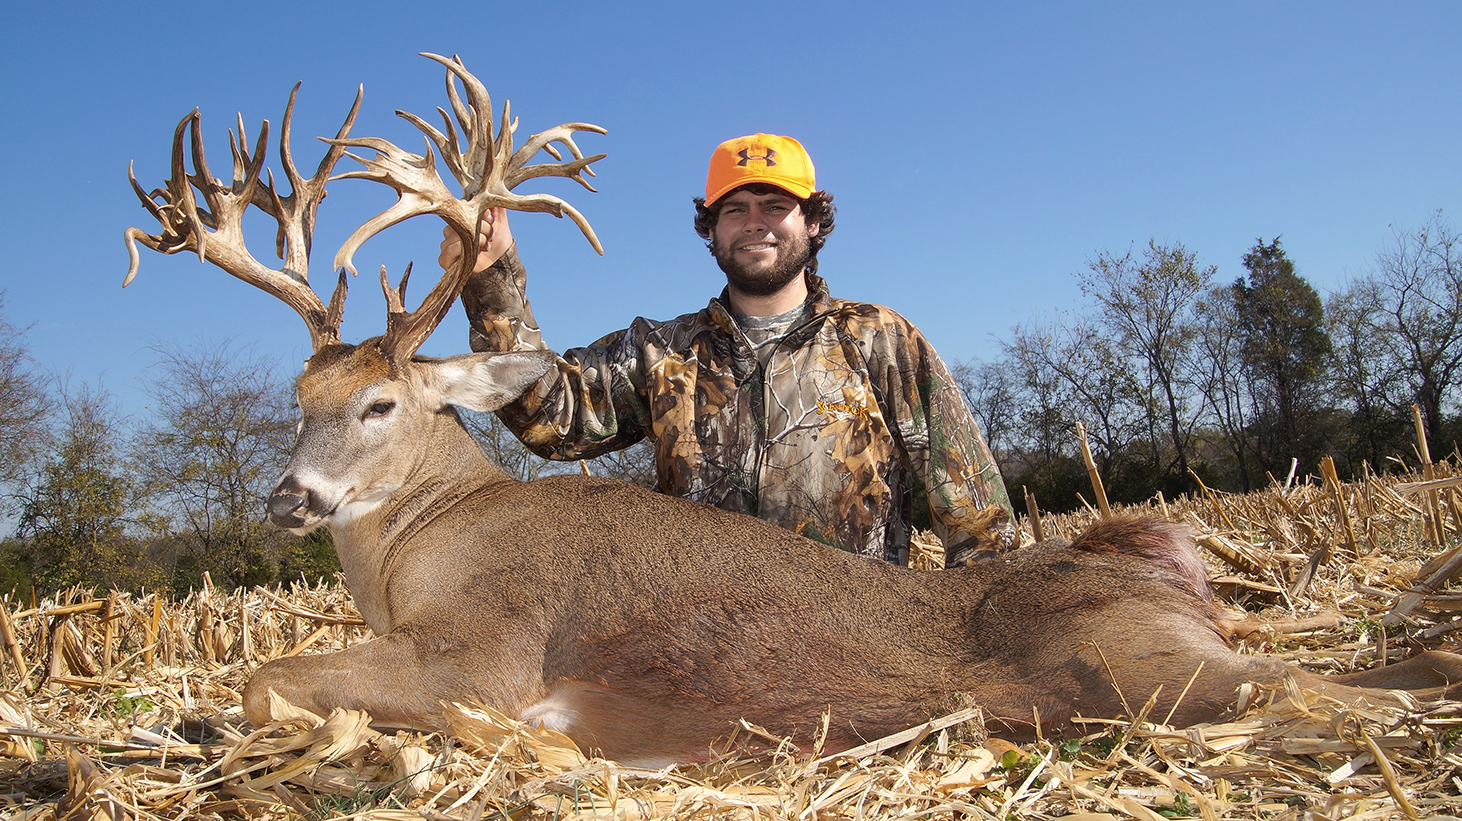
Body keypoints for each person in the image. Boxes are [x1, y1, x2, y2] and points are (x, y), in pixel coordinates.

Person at [442, 133, 1016, 566]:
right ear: (710, 229)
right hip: (706, 658)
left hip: (857, 653)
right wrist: (491, 279)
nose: (755, 224)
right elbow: (552, 416)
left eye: (775, 205)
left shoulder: (880, 340)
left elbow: (980, 522)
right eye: (734, 210)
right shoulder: (662, 354)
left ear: (813, 222)